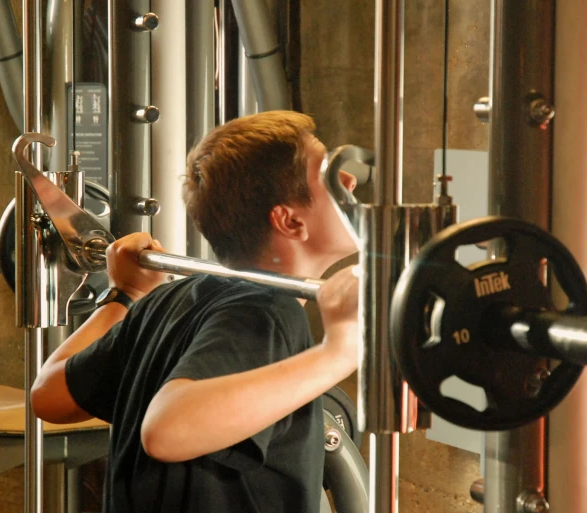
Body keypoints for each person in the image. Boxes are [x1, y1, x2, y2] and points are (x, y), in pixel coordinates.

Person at [31, 110, 361, 513]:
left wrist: (127, 293)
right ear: (291, 221)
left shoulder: (166, 301)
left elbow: (49, 395)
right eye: (328, 174)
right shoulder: (268, 312)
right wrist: (340, 351)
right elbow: (167, 430)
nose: (350, 180)